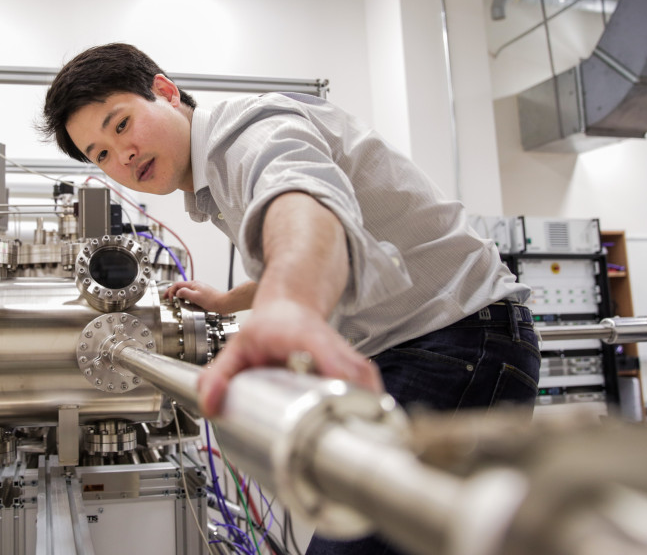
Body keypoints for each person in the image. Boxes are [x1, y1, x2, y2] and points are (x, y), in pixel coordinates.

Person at [42, 42, 540, 555]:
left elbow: (303, 198)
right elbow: (326, 248)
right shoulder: (214, 181)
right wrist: (231, 300)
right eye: (99, 154)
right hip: (430, 346)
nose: (120, 155)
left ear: (165, 92)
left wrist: (289, 307)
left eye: (120, 124)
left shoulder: (249, 132)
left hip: (458, 342)